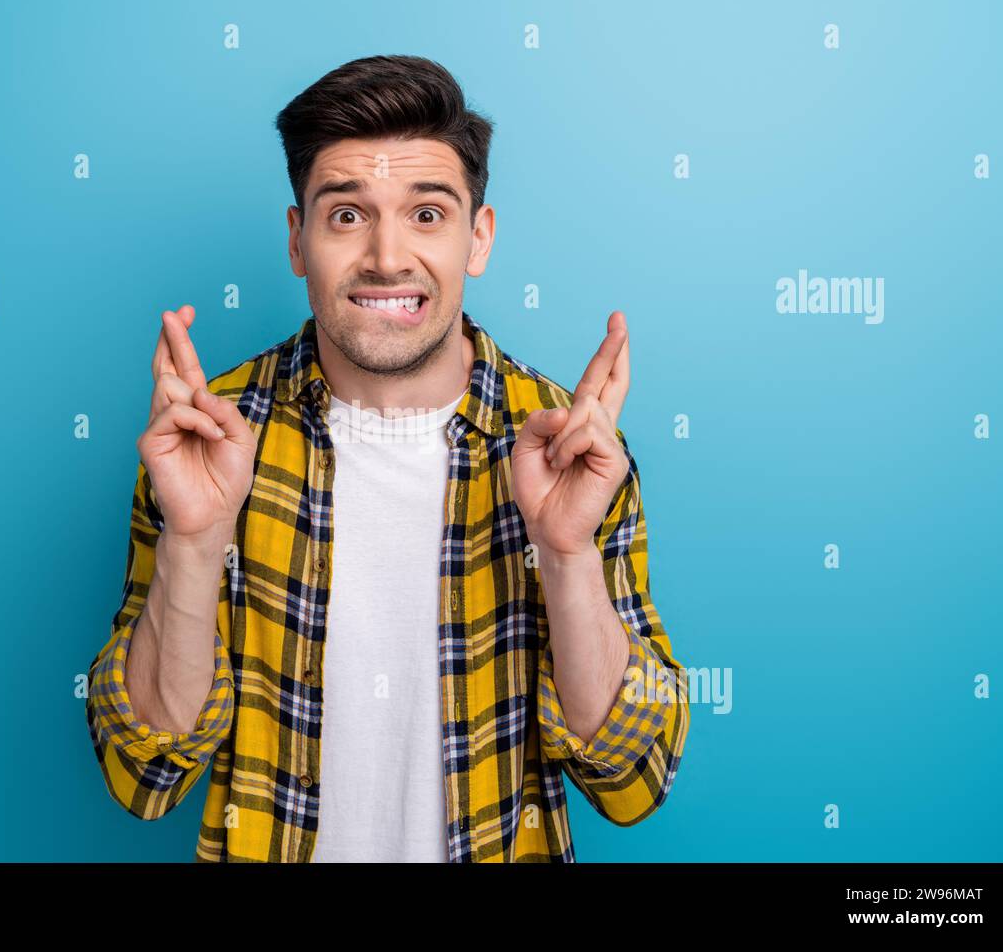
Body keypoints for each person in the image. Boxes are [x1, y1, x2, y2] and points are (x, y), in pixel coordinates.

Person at [85, 54, 689, 862]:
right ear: (298, 240)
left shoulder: (567, 446)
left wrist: (567, 553)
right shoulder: (209, 437)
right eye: (346, 216)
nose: (386, 257)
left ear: (479, 238)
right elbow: (143, 772)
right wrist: (195, 542)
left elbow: (632, 782)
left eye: (428, 215)